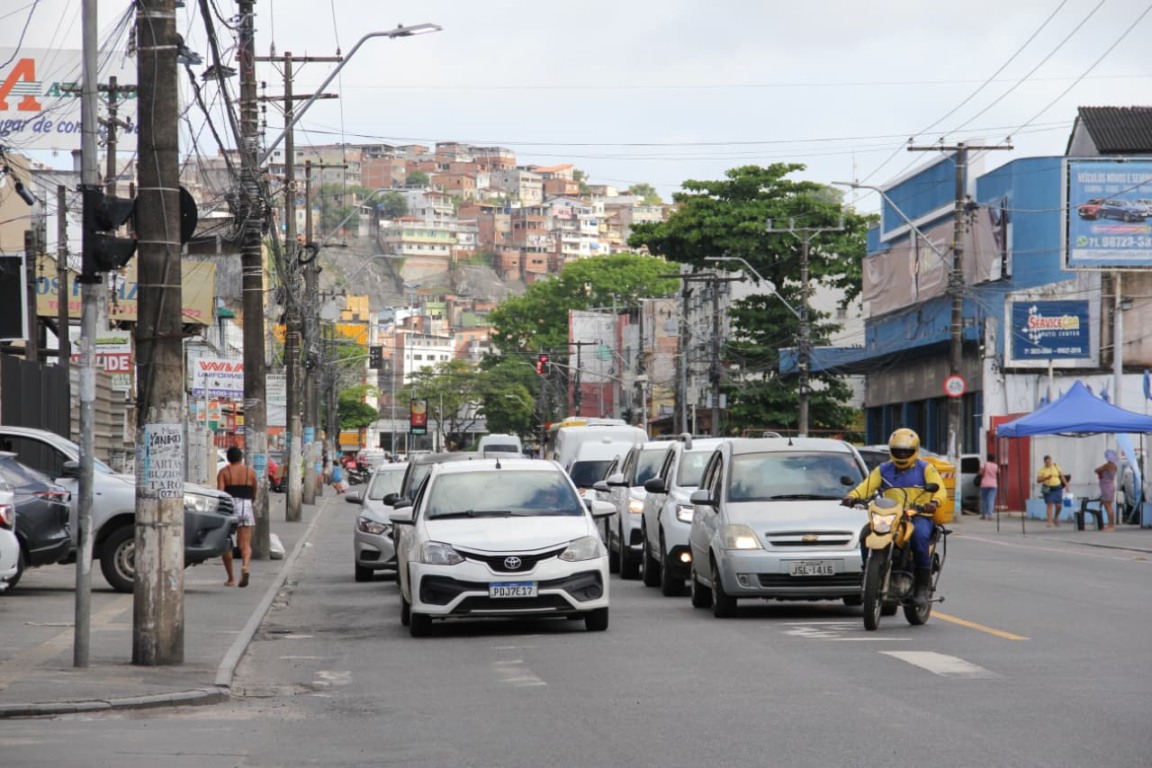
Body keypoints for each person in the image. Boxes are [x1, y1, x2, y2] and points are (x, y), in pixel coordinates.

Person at [842, 428, 947, 610]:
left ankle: (921, 588)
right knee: (867, 533)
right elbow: (865, 487)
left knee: (919, 538)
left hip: (917, 516)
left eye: (906, 451)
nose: (902, 454)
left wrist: (935, 502)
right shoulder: (883, 469)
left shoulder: (926, 468)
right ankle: (867, 573)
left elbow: (940, 490)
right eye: (898, 450)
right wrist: (852, 497)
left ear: (915, 450)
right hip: (889, 517)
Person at [217, 446, 257, 588]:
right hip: (245, 506)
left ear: (228, 459)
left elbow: (221, 493)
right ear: (241, 457)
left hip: (229, 506)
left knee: (226, 543)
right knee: (245, 545)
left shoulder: (223, 472)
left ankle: (231, 578)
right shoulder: (250, 472)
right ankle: (245, 566)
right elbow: (254, 492)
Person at [1036, 455, 1069, 527]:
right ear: (1044, 462)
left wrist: (1066, 485)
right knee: (1049, 505)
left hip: (1057, 488)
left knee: (1059, 506)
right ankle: (1049, 521)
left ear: (1051, 460)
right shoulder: (1042, 469)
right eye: (1046, 462)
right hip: (1048, 488)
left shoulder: (1056, 466)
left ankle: (1056, 517)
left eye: (1049, 462)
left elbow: (1062, 476)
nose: (1048, 463)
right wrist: (1045, 478)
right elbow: (1038, 480)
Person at [1095, 449, 1119, 530]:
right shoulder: (1114, 466)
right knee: (1108, 505)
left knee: (1108, 506)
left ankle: (1111, 525)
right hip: (1110, 486)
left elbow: (1096, 470)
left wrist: (1101, 468)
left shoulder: (1107, 466)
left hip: (1106, 486)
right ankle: (1111, 524)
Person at [978, 452, 999, 520]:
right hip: (993, 484)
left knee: (984, 499)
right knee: (991, 499)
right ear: (994, 459)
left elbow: (980, 473)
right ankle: (990, 515)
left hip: (984, 484)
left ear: (987, 458)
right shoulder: (996, 466)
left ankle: (984, 515)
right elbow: (998, 473)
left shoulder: (984, 464)